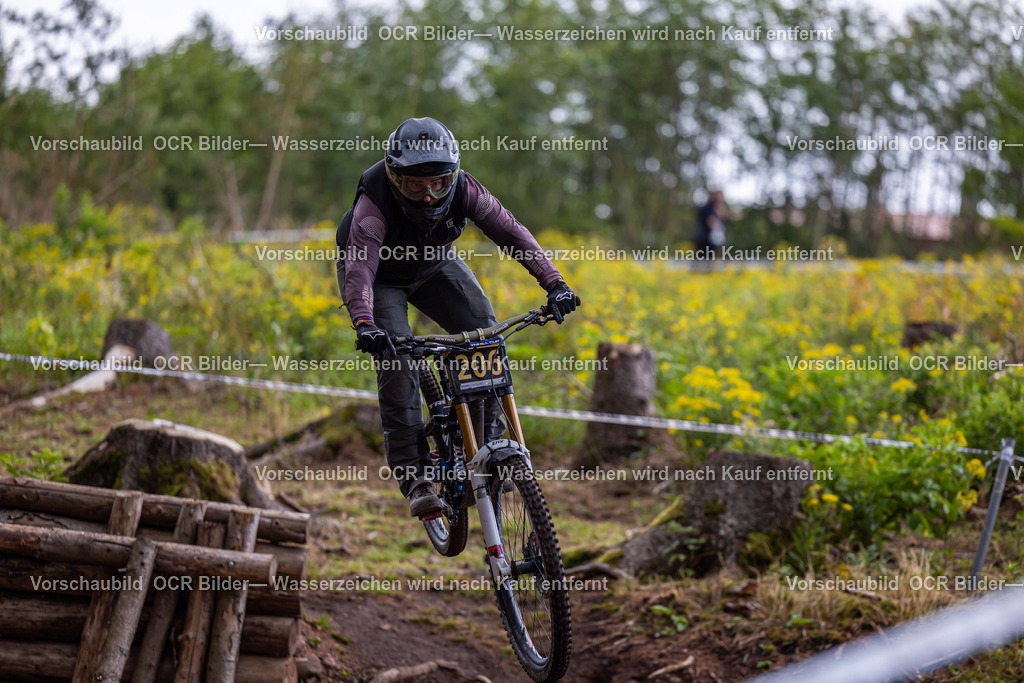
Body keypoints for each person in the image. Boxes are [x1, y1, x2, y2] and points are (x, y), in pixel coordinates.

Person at [335, 117, 581, 517]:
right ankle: (416, 478)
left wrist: (555, 283)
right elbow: (360, 268)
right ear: (395, 178)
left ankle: (490, 448)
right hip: (379, 279)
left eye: (439, 184)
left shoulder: (467, 189)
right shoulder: (373, 205)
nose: (428, 196)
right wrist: (365, 323)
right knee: (397, 364)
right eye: (415, 185)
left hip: (434, 264)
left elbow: (511, 232)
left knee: (485, 336)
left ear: (453, 175)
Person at [694, 189, 727, 259]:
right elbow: (706, 218)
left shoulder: (720, 206)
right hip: (705, 237)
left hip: (713, 238)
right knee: (703, 256)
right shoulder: (710, 205)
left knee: (710, 256)